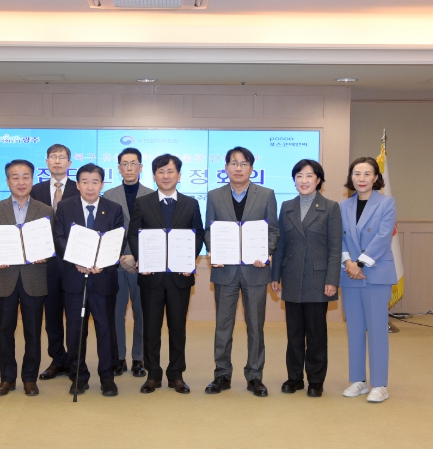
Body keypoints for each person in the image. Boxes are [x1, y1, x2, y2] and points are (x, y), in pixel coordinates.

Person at [204, 146, 279, 397]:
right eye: (234, 163)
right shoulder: (214, 196)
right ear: (226, 167)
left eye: (244, 163)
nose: (238, 168)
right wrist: (213, 250)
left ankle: (255, 376)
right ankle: (222, 375)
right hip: (224, 271)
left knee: (255, 326)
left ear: (251, 168)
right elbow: (209, 230)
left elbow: (273, 231)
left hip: (255, 271)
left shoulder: (266, 195)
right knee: (223, 326)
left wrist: (265, 252)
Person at [127, 154, 204, 394]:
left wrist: (189, 259)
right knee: (151, 328)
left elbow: (198, 234)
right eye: (161, 171)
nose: (166, 176)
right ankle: (153, 375)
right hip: (151, 276)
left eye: (170, 171)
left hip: (180, 277)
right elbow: (134, 234)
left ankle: (176, 375)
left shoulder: (191, 204)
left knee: (177, 328)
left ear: (179, 175)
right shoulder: (143, 202)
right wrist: (142, 259)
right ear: (154, 176)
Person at [270, 159, 342, 397]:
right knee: (294, 334)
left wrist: (332, 279)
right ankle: (294, 378)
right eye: (299, 176)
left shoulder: (330, 207)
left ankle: (316, 380)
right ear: (294, 180)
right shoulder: (287, 206)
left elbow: (335, 247)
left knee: (316, 334)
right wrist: (275, 275)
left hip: (318, 280)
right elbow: (280, 245)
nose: (304, 180)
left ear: (318, 179)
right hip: (291, 277)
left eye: (309, 176)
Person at [0, 160, 53, 397]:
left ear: (32, 179)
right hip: (6, 277)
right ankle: (7, 378)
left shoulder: (45, 210)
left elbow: (52, 240)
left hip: (34, 278)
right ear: (7, 181)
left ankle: (30, 379)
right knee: (5, 331)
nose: (21, 182)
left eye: (26, 177)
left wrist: (45, 253)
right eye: (15, 177)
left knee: (33, 332)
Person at [53, 163, 124, 396]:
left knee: (106, 330)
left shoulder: (114, 209)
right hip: (74, 279)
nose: (90, 187)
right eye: (85, 182)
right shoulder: (65, 207)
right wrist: (76, 260)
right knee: (75, 331)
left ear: (102, 184)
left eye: (95, 182)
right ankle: (78, 376)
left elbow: (118, 241)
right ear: (77, 185)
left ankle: (107, 377)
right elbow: (59, 237)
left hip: (103, 280)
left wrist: (103, 262)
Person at [339, 156, 397, 403]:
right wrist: (349, 264)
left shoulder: (387, 203)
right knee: (354, 329)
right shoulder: (343, 205)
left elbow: (383, 237)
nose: (361, 178)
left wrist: (360, 263)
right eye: (357, 173)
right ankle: (358, 380)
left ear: (375, 178)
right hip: (350, 274)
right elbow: (339, 238)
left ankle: (380, 384)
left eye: (367, 174)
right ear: (351, 177)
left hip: (376, 273)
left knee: (376, 330)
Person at [102, 148, 153, 378]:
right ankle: (119, 357)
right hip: (115, 263)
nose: (129, 168)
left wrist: (135, 254)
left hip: (143, 263)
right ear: (119, 168)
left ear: (141, 167)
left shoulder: (151, 195)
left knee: (142, 312)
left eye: (133, 163)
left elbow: (152, 231)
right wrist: (121, 256)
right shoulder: (108, 195)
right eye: (125, 163)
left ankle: (139, 358)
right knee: (116, 312)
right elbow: (105, 230)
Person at [31, 144, 79, 380]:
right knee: (51, 316)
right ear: (47, 162)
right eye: (53, 157)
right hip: (45, 263)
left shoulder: (79, 188)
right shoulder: (35, 190)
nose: (57, 161)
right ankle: (57, 359)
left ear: (69, 163)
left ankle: (75, 360)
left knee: (74, 316)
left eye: (62, 157)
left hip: (73, 262)